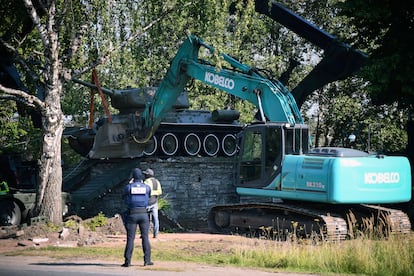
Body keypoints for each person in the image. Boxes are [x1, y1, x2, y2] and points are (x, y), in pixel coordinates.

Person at [121, 168, 153, 267]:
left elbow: (124, 198)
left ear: (133, 177)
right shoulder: (147, 187)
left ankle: (127, 261)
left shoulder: (128, 187)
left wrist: (130, 183)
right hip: (144, 214)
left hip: (132, 214)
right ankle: (147, 260)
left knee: (130, 239)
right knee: (145, 237)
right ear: (141, 176)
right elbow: (149, 198)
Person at [143, 168, 162, 238]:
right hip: (155, 201)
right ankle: (155, 234)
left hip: (147, 201)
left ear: (147, 175)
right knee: (156, 219)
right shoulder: (157, 181)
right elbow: (160, 192)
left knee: (145, 219)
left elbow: (144, 191)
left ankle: (145, 234)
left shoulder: (146, 182)